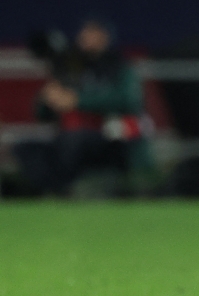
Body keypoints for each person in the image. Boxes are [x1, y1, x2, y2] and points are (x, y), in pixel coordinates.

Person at [16, 17, 150, 195]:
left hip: (111, 136)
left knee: (75, 141)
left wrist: (77, 101)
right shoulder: (72, 68)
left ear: (105, 37)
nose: (85, 37)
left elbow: (126, 100)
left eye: (92, 32)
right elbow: (43, 115)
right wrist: (47, 99)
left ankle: (85, 188)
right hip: (70, 138)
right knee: (26, 149)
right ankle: (58, 193)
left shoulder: (120, 67)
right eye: (84, 32)